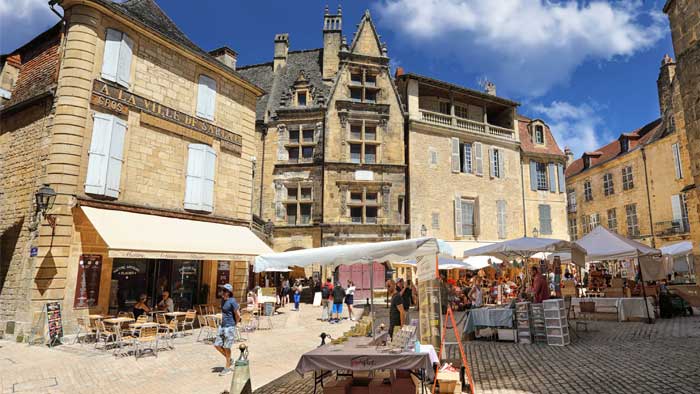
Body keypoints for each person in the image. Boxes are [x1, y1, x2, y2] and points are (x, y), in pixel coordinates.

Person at [214, 284, 240, 376]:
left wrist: (235, 324)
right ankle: (230, 360)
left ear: (229, 292)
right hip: (222, 325)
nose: (222, 292)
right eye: (222, 290)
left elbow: (238, 315)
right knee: (217, 345)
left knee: (226, 347)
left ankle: (227, 368)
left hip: (229, 326)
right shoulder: (222, 300)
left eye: (224, 291)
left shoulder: (232, 301)